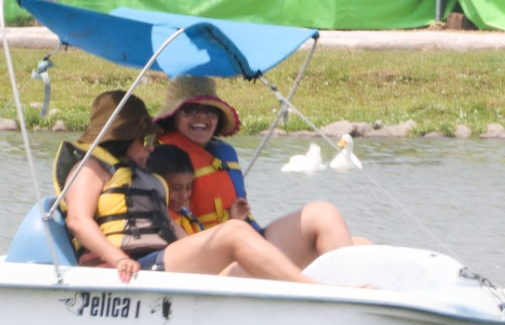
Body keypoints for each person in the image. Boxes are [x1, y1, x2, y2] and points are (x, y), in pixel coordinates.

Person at [58, 90, 319, 285]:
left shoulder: (140, 176)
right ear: (122, 138)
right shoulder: (90, 168)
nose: (151, 146)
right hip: (129, 268)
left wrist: (208, 247)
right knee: (234, 232)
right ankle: (314, 291)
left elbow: (171, 229)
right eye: (144, 139)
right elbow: (78, 221)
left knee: (242, 261)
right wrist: (118, 259)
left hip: (157, 260)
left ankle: (311, 290)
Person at [154, 75, 357, 269]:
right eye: (189, 110)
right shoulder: (162, 161)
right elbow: (175, 230)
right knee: (322, 216)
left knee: (356, 240)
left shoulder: (223, 154)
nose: (201, 116)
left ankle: (352, 290)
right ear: (173, 116)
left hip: (247, 243)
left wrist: (234, 221)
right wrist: (230, 231)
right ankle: (344, 290)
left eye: (210, 110)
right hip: (215, 259)